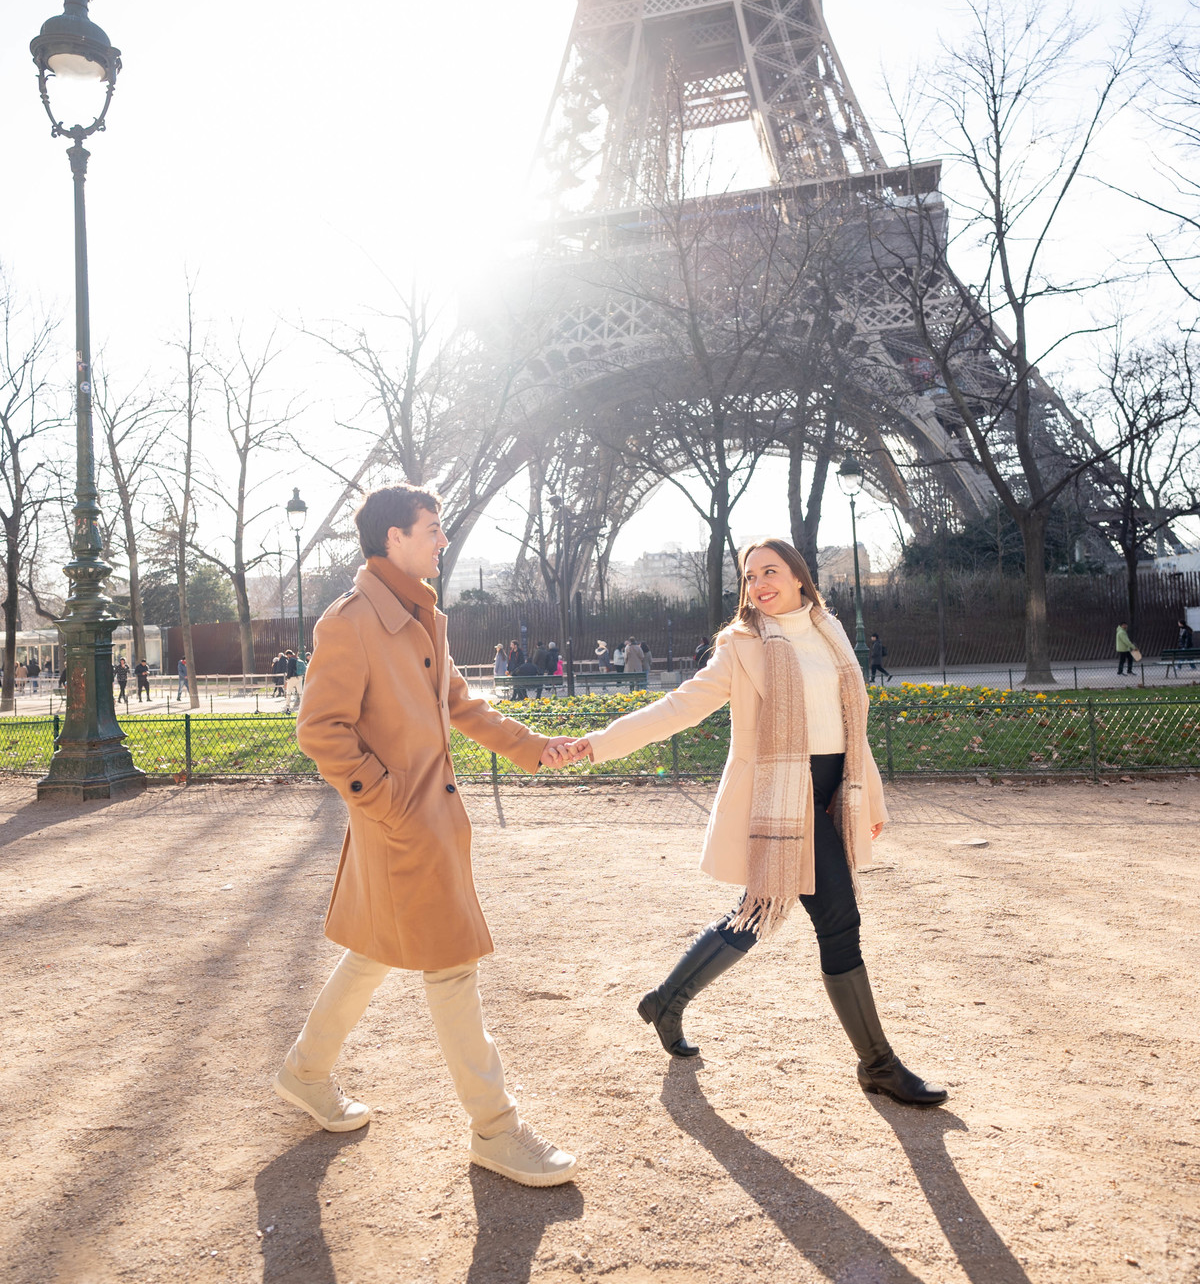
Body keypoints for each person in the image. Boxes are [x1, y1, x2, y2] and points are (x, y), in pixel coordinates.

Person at [562, 538, 946, 1108]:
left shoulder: (830, 632)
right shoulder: (741, 647)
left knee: (754, 913)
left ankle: (667, 1000)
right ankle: (879, 1065)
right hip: (780, 798)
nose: (759, 583)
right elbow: (678, 707)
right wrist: (596, 744)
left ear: (798, 576)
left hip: (832, 793)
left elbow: (852, 729)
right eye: (749, 576)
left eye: (771, 571)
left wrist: (872, 803)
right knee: (838, 919)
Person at [279, 481, 578, 1186]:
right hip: (403, 825)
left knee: (373, 954)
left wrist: (535, 746)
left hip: (415, 822)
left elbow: (460, 706)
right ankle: (496, 1130)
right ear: (395, 538)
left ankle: (305, 1069)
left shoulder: (419, 617)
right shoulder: (351, 622)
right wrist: (387, 804)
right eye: (432, 528)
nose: (443, 540)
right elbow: (320, 730)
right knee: (450, 966)